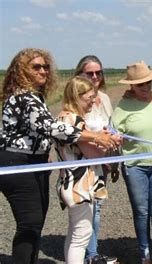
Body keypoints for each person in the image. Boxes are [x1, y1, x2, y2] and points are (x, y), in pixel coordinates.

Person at [0, 48, 117, 264]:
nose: (43, 70)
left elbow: (42, 131)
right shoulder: (25, 97)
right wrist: (95, 136)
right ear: (21, 69)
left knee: (35, 223)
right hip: (18, 164)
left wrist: (44, 150)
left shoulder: (34, 96)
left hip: (34, 162)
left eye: (45, 66)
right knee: (30, 223)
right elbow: (50, 127)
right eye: (36, 67)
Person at [112, 61, 152, 264]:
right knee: (141, 211)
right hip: (134, 165)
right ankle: (145, 253)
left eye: (148, 82)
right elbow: (112, 132)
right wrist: (116, 138)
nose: (146, 87)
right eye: (140, 84)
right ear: (131, 86)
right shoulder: (123, 106)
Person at [55, 76, 115, 264]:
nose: (93, 102)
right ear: (77, 96)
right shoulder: (76, 121)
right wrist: (109, 143)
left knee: (74, 232)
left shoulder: (63, 117)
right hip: (80, 185)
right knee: (82, 236)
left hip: (68, 182)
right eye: (89, 98)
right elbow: (94, 155)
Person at [73, 55, 118, 264]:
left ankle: (91, 252)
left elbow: (108, 129)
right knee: (88, 211)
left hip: (103, 163)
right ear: (79, 75)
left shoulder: (105, 98)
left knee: (96, 207)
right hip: (85, 164)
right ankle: (89, 255)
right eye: (89, 73)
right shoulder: (77, 100)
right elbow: (78, 135)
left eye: (98, 72)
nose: (94, 76)